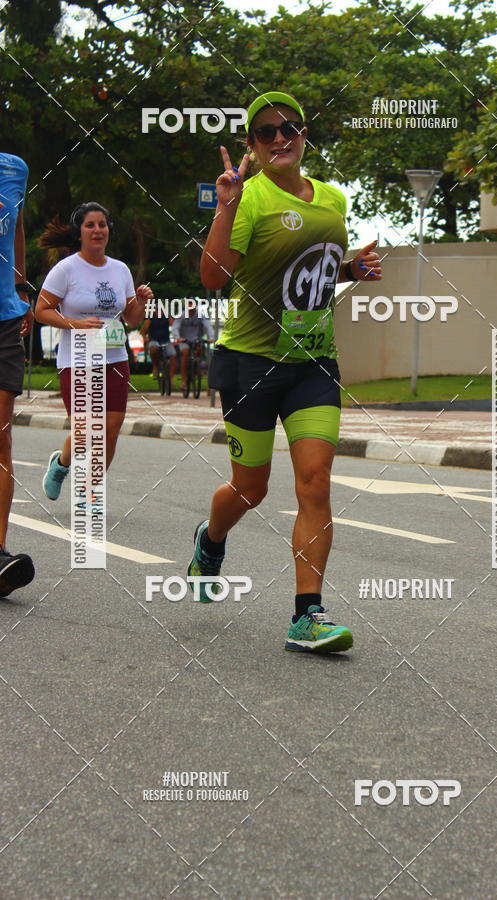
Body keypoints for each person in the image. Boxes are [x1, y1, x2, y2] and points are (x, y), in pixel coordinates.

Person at [194, 91, 382, 653]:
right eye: (267, 131)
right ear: (252, 145)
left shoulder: (333, 198)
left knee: (315, 481)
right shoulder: (248, 197)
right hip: (248, 362)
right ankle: (211, 536)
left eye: (291, 128)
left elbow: (311, 271)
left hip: (312, 362)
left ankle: (308, 615)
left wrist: (351, 269)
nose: (281, 138)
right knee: (250, 488)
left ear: (304, 136)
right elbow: (213, 277)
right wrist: (226, 206)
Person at [35, 202, 152, 500]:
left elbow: (132, 319)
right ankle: (61, 464)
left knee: (109, 430)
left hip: (114, 358)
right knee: (86, 431)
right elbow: (41, 310)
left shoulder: (120, 270)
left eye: (102, 224)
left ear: (108, 230)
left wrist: (141, 301)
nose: (97, 230)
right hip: (76, 360)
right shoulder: (66, 269)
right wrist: (76, 324)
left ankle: (90, 495)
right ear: (80, 232)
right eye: (90, 225)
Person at [0, 151, 35, 597]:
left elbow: (17, 226)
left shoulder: (14, 168)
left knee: (1, 438)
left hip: (5, 318)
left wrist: (21, 287)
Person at [171, 299, 214, 391]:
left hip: (196, 339)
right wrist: (177, 337)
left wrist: (211, 337)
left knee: (199, 351)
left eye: (192, 307)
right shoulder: (181, 315)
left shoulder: (201, 315)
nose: (190, 309)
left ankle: (196, 368)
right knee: (185, 353)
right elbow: (175, 327)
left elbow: (208, 326)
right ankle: (183, 381)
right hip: (184, 340)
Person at [140, 310, 176, 380]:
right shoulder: (150, 319)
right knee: (153, 349)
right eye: (157, 310)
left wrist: (176, 336)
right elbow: (142, 331)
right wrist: (145, 338)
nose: (159, 311)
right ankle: (155, 367)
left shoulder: (167, 318)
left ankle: (171, 379)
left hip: (166, 341)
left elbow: (175, 326)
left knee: (173, 355)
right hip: (154, 340)